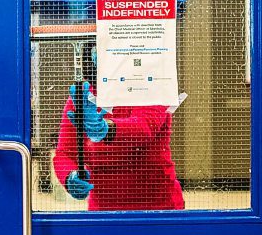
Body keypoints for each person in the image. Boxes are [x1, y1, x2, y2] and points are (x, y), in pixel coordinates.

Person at [53, 44, 184, 211]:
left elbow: (144, 128)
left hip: (157, 207)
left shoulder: (151, 87)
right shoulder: (83, 98)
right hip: (103, 211)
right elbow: (65, 153)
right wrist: (70, 177)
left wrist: (107, 128)